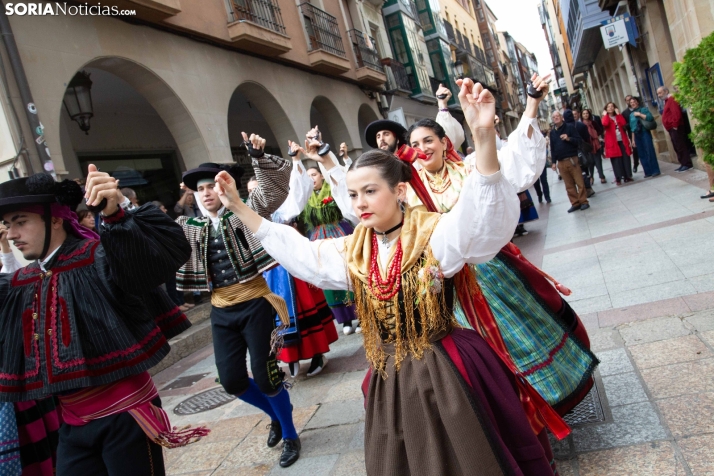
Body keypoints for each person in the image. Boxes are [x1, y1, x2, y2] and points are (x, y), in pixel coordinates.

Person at [212, 79, 562, 474]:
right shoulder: (355, 249)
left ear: (398, 191)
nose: (360, 203)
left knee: (469, 452)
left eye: (370, 191)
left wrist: (483, 138)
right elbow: (304, 255)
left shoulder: (434, 232)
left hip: (446, 366)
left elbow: (482, 220)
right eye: (354, 194)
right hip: (390, 375)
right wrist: (241, 208)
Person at [0, 169, 204, 475]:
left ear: (54, 218)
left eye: (21, 221)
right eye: (7, 225)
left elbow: (156, 259)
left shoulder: (99, 257)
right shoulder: (23, 281)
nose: (12, 234)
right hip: (71, 423)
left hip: (124, 415)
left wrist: (116, 211)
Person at [176, 132, 301, 468]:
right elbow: (154, 243)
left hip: (256, 303)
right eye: (199, 189)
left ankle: (290, 434)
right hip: (221, 310)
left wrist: (258, 158)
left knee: (266, 376)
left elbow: (274, 190)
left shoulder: (244, 211)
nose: (206, 193)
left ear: (223, 188)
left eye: (211, 186)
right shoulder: (187, 227)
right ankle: (275, 415)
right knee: (231, 380)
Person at [265, 141, 338, 378]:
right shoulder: (252, 208)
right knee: (280, 314)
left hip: (293, 261)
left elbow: (300, 190)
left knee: (306, 306)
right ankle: (290, 357)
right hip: (270, 270)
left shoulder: (284, 206)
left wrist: (296, 161)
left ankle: (317, 353)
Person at [298, 127, 360, 336]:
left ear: (321, 176)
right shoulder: (306, 198)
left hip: (339, 231)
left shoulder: (331, 189)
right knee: (329, 279)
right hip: (318, 238)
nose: (312, 178)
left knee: (347, 272)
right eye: (309, 176)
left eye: (315, 174)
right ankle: (344, 319)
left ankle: (358, 313)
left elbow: (340, 183)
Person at [550, 110, 590, 212]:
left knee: (579, 182)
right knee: (568, 185)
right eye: (554, 117)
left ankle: (583, 201)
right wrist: (553, 162)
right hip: (561, 162)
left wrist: (569, 139)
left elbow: (579, 141)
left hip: (572, 159)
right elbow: (553, 148)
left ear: (562, 117)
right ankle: (575, 202)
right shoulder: (552, 132)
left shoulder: (570, 128)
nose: (556, 118)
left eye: (557, 116)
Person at [658, 86, 693, 172]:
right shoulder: (667, 101)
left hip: (675, 127)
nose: (659, 95)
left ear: (666, 91)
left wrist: (675, 125)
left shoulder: (672, 99)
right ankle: (683, 163)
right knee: (676, 146)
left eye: (660, 93)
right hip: (671, 128)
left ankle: (687, 163)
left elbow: (676, 113)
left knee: (680, 145)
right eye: (658, 93)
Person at [628, 96, 661, 177]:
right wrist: (632, 140)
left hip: (644, 132)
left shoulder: (643, 109)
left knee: (649, 151)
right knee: (641, 154)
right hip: (636, 135)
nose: (633, 104)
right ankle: (648, 171)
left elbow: (650, 118)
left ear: (637, 102)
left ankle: (655, 170)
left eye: (634, 102)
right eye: (631, 103)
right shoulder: (631, 115)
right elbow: (632, 128)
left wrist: (640, 114)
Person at [601, 102, 633, 185]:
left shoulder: (618, 116)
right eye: (608, 107)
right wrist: (605, 115)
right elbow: (605, 124)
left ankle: (627, 176)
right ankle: (618, 177)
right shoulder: (605, 117)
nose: (611, 108)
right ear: (606, 109)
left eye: (612, 106)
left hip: (622, 140)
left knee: (625, 158)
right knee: (616, 160)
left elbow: (623, 123)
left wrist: (618, 114)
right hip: (612, 142)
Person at [565, 110, 594, 196]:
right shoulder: (581, 125)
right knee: (585, 169)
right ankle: (588, 187)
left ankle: (582, 189)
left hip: (571, 152)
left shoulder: (565, 127)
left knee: (577, 172)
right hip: (582, 150)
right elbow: (587, 137)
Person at [581, 109, 607, 184]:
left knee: (598, 161)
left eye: (587, 113)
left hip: (596, 144)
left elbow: (600, 130)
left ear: (589, 114)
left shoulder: (593, 123)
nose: (586, 115)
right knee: (590, 162)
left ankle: (602, 176)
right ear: (582, 115)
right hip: (587, 146)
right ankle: (591, 177)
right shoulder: (581, 124)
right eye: (584, 114)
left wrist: (595, 134)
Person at [622, 95, 641, 173]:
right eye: (628, 100)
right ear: (626, 102)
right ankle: (636, 164)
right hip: (632, 133)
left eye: (631, 99)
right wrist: (631, 123)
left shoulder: (639, 109)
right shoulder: (625, 113)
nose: (630, 101)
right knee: (635, 150)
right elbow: (624, 125)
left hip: (642, 131)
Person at [532, 129, 552, 203]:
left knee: (544, 181)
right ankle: (539, 194)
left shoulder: (540, 139)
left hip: (541, 163)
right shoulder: (525, 142)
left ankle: (547, 197)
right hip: (533, 166)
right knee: (536, 183)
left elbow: (544, 149)